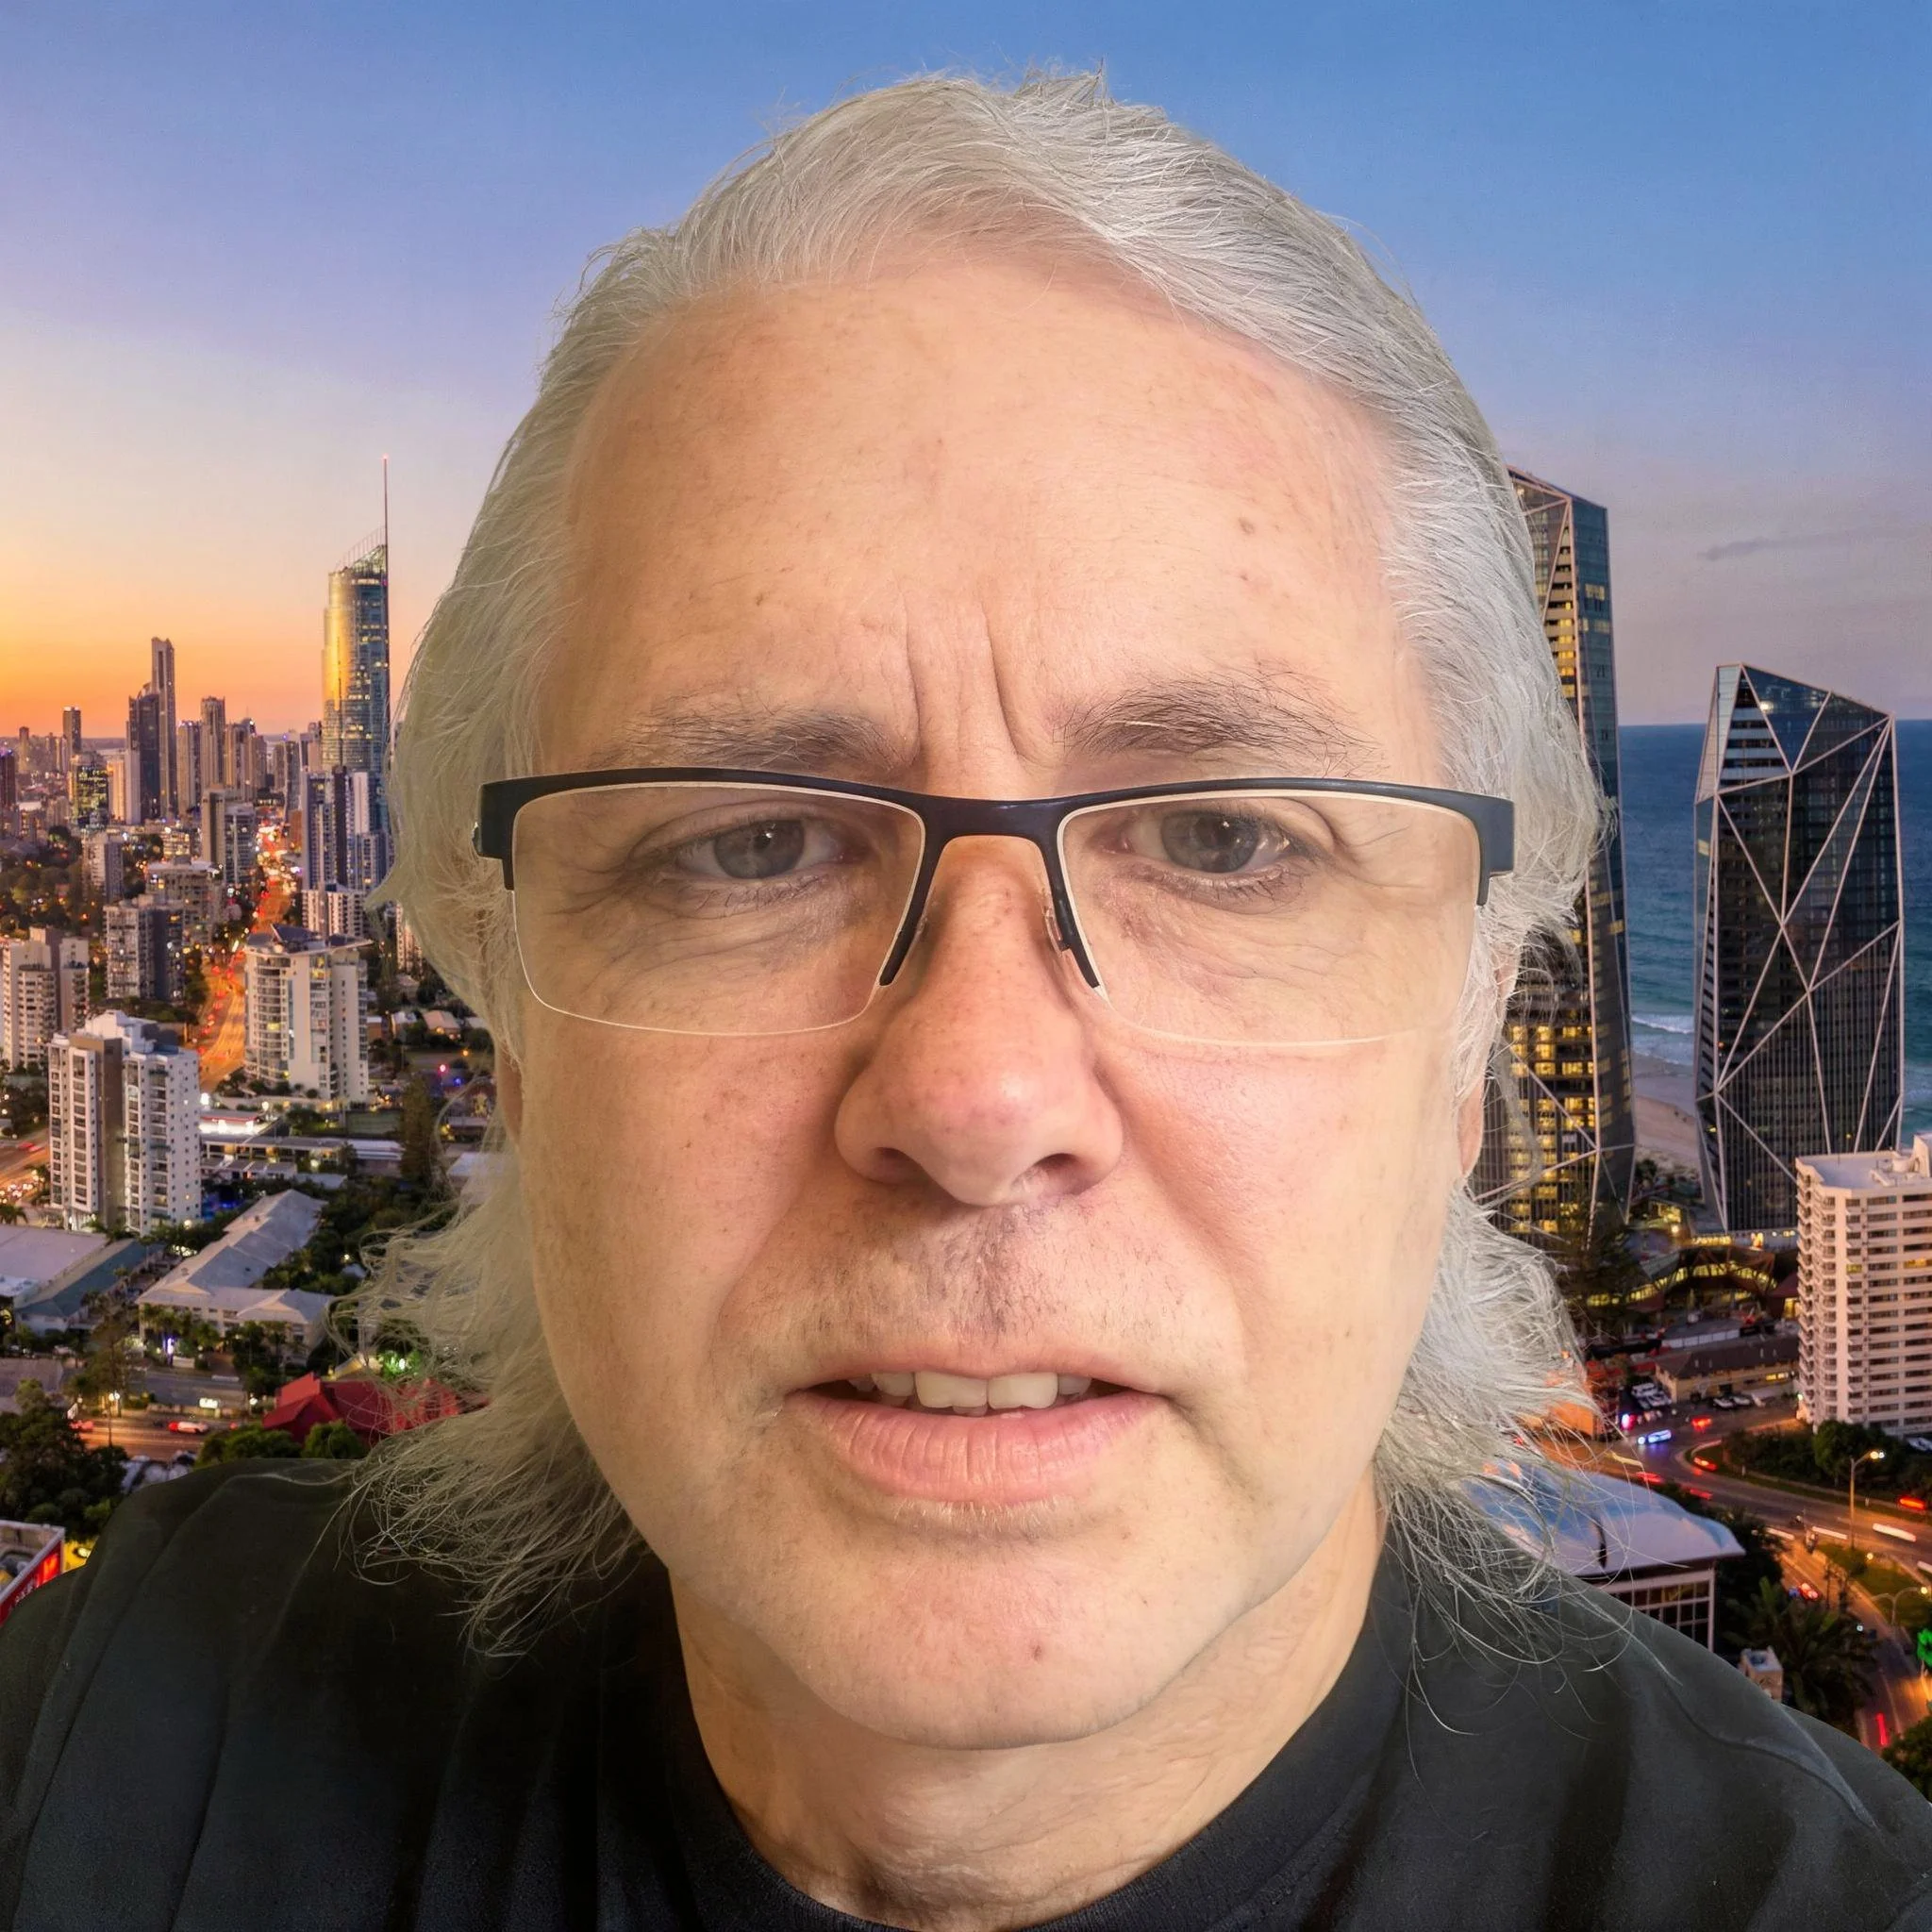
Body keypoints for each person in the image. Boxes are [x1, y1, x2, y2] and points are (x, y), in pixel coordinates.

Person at [4, 72, 1929, 1932]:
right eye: (750, 842)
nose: (982, 1091)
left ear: (1465, 1038)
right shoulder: (115, 1746)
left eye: (1223, 842)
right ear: (509, 1001)